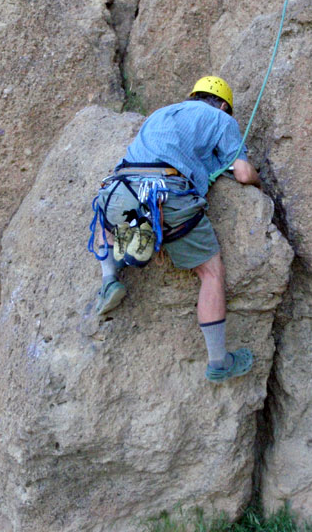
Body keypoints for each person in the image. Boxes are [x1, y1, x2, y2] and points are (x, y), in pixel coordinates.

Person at [90, 75, 261, 383]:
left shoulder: (160, 113)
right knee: (210, 272)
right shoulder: (221, 120)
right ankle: (219, 362)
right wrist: (260, 182)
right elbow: (244, 173)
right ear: (222, 105)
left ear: (192, 95)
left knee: (105, 213)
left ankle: (110, 278)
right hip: (170, 192)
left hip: (121, 186)